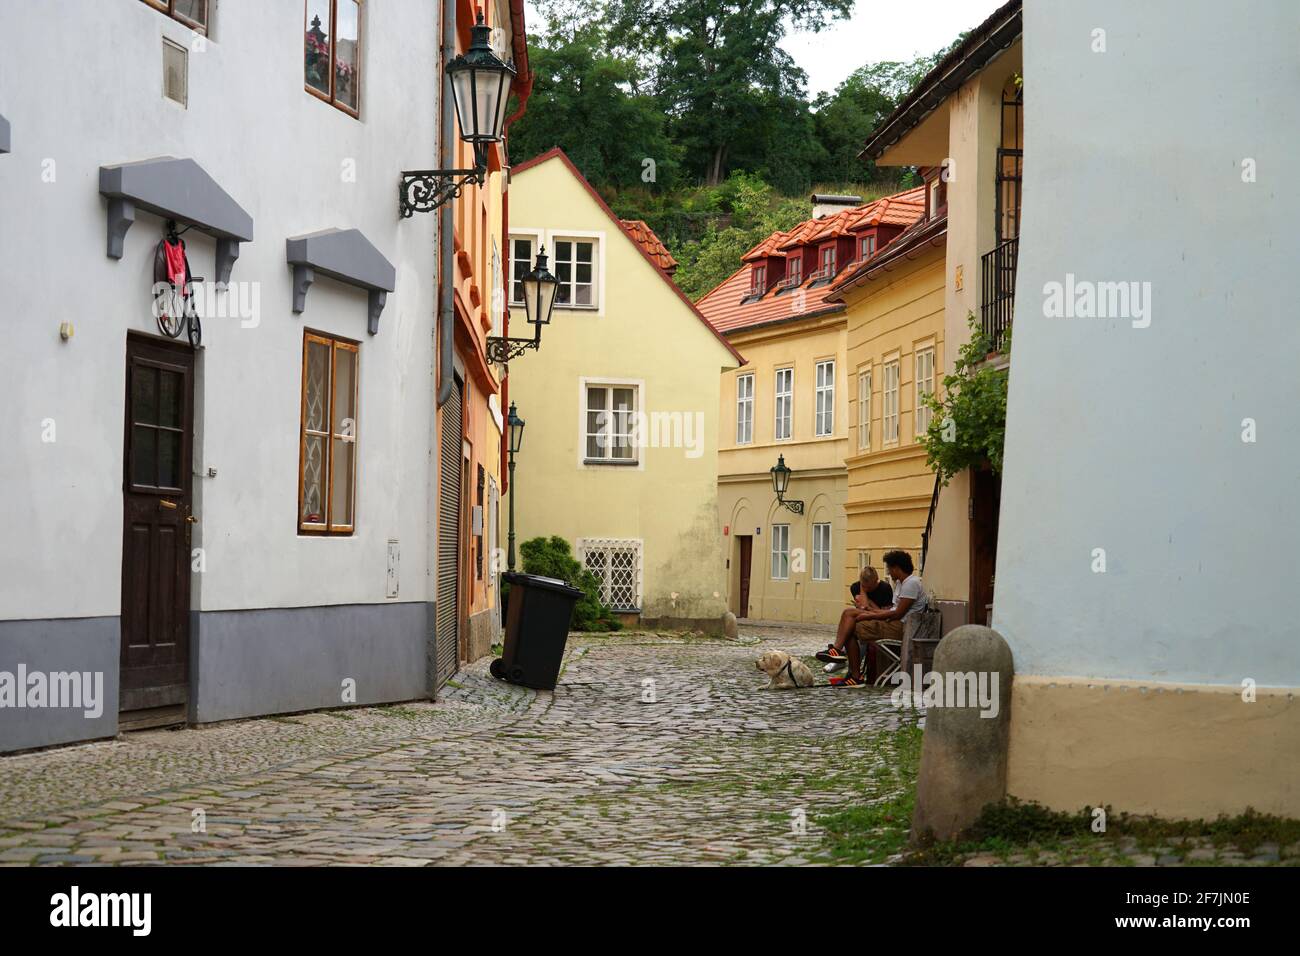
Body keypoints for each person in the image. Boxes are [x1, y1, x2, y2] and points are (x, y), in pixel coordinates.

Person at [826, 550, 926, 687]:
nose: (889, 573)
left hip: (902, 628)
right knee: (849, 613)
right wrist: (872, 611)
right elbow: (892, 611)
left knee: (852, 627)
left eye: (890, 569)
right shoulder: (901, 584)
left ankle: (852, 672)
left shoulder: (911, 583)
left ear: (897, 568)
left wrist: (871, 615)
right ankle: (838, 652)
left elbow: (897, 614)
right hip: (893, 623)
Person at [815, 567, 892, 673]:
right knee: (852, 628)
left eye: (870, 587)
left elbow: (883, 614)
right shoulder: (855, 587)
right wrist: (863, 591)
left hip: (880, 621)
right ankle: (842, 660)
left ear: (876, 580)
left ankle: (846, 664)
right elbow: (862, 608)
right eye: (865, 586)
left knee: (851, 619)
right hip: (862, 619)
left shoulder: (885, 588)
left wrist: (868, 602)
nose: (868, 589)